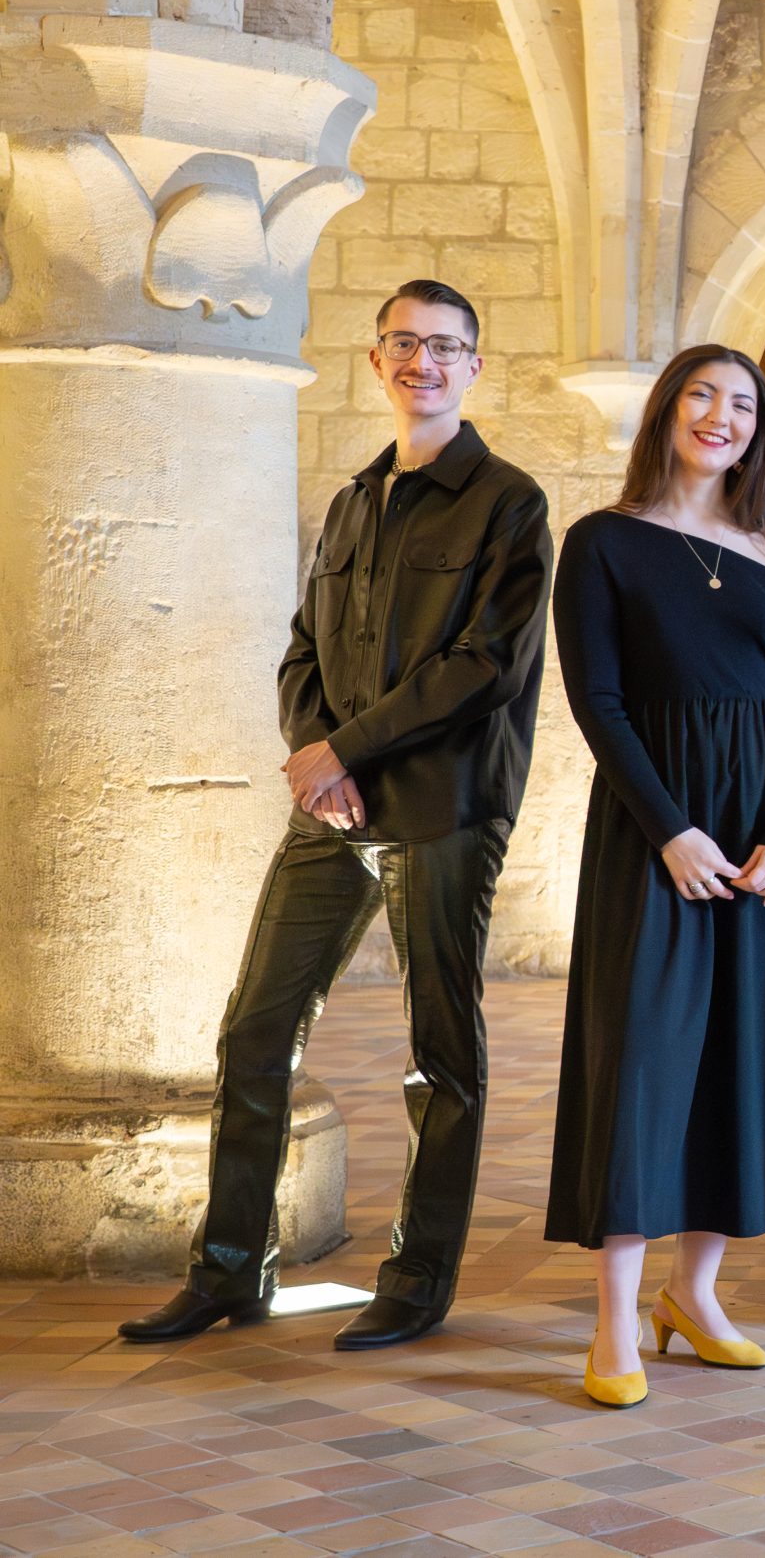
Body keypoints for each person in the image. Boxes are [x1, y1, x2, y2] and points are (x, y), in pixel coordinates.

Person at [119, 280, 552, 1352]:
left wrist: (346, 751)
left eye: (445, 347)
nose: (424, 362)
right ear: (376, 360)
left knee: (439, 1055)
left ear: (473, 366)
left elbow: (482, 667)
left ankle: (418, 1280)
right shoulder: (355, 501)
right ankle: (230, 1271)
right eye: (404, 343)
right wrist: (323, 764)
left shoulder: (510, 501)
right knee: (255, 1029)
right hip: (337, 809)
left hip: (444, 809)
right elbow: (304, 649)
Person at [544, 345, 765, 1408]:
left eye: (743, 404)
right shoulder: (603, 543)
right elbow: (599, 704)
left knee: (739, 1065)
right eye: (702, 396)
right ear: (669, 410)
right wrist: (669, 830)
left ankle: (694, 1297)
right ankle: (615, 1319)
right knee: (643, 1062)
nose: (721, 417)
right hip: (652, 829)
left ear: (760, 429)